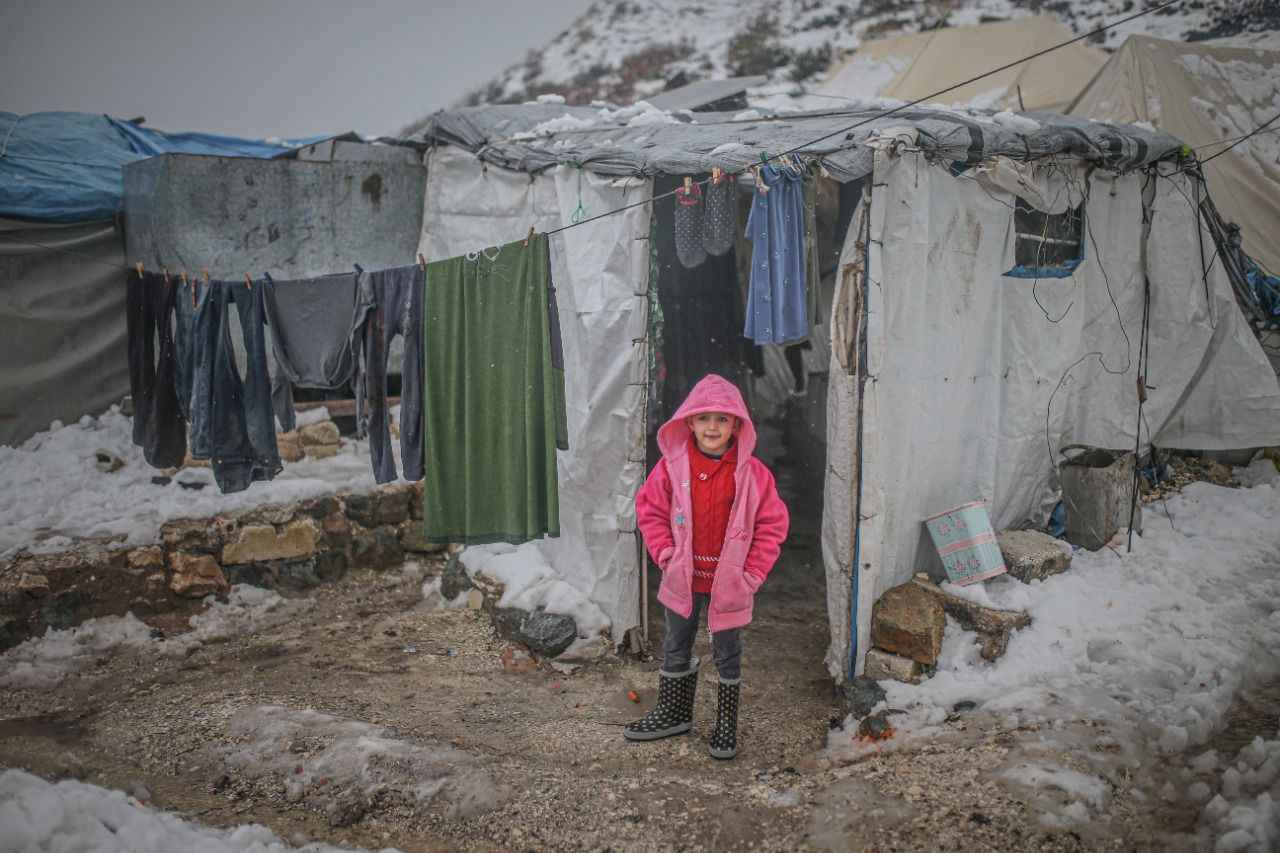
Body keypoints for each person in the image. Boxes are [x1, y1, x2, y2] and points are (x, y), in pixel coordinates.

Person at [625, 373, 789, 759]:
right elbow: (650, 509)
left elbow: (772, 525)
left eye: (722, 419)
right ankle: (673, 714)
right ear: (689, 422)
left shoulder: (753, 475)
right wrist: (666, 554)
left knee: (727, 651)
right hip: (684, 577)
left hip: (729, 583)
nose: (712, 427)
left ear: (737, 425)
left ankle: (725, 723)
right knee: (676, 644)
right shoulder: (672, 467)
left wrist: (752, 574)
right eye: (704, 418)